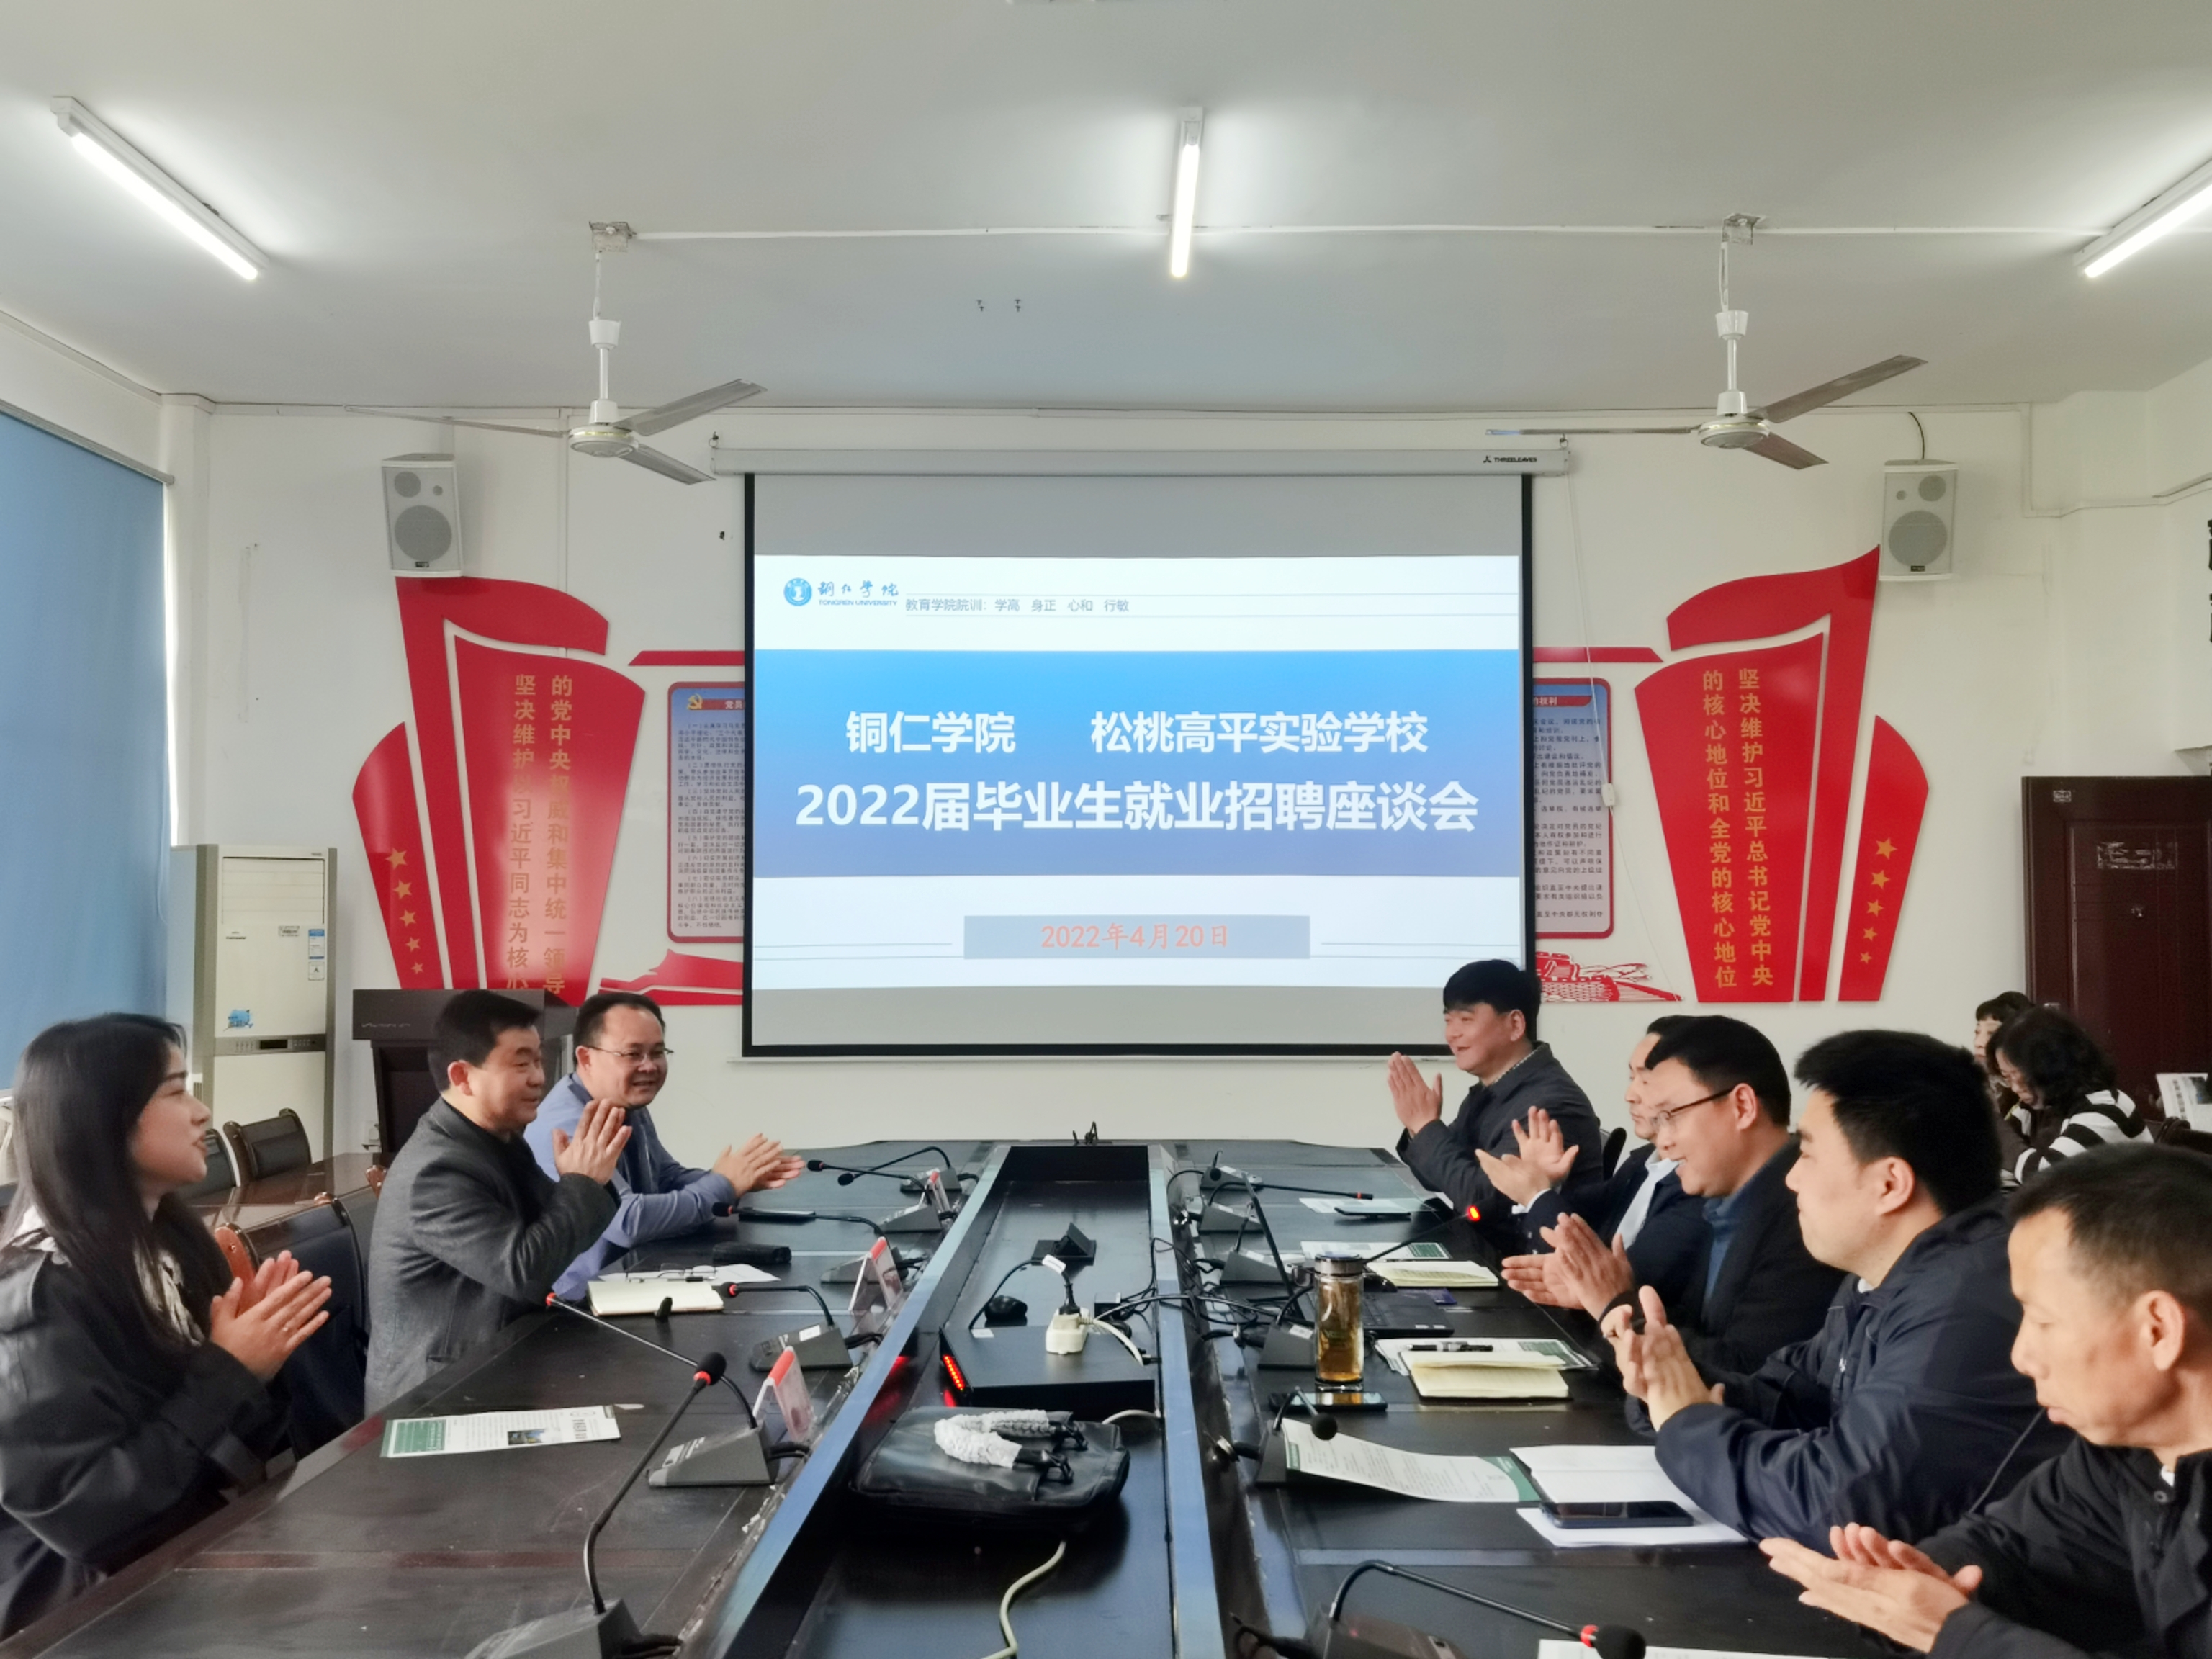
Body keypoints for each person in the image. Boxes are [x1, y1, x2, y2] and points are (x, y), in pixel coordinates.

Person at [1607, 1030, 2065, 1547]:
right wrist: (1668, 1382)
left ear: (1889, 1184)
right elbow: (1795, 1397)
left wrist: (1687, 1422)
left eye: (1807, 1155)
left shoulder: (1966, 1304)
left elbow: (1833, 1506)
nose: (1791, 1180)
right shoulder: (1885, 1274)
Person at [1762, 1144, 2212, 1659]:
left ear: (2159, 1330)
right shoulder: (2127, 1457)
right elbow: (2009, 1550)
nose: (2022, 1356)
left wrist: (1955, 1634)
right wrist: (1921, 1579)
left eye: (2043, 1321)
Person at [0, 1015, 333, 1637]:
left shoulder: (172, 1242)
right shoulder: (37, 1300)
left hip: (188, 1557)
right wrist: (230, 1370)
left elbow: (228, 1451)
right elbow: (87, 1520)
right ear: (105, 1119)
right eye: (176, 1092)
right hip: (83, 1617)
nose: (203, 1113)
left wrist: (263, 1360)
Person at [1511, 1015, 1842, 1373]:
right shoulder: (1726, 1201)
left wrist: (1616, 1305)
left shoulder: (1805, 1217)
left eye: (1671, 1116)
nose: (1664, 1142)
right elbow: (1701, 1329)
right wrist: (1597, 1298)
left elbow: (1747, 1375)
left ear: (1742, 1107)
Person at [365, 991, 629, 1411]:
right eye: (521, 1064)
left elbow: (555, 1238)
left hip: (501, 1359)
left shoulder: (496, 1141)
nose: (539, 1077)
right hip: (437, 1397)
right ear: (463, 1076)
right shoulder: (436, 1172)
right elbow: (525, 1270)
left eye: (539, 1061)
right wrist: (581, 1182)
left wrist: (582, 1181)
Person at [525, 992, 803, 1301]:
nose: (649, 1066)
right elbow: (627, 1222)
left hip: (633, 1279)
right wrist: (723, 1184)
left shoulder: (625, 1103)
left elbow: (665, 1177)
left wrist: (742, 1177)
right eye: (633, 1054)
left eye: (657, 1052)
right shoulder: (565, 1126)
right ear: (586, 1058)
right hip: (578, 1303)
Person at [1389, 958, 1604, 1258]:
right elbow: (1440, 1177)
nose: (1452, 1034)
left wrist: (1426, 1127)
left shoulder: (1550, 1104)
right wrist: (1421, 1128)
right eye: (1449, 1020)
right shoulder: (1493, 1089)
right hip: (1486, 1252)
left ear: (1515, 1024)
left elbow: (1480, 1203)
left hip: (1522, 1271)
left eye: (1465, 1020)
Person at [1491, 1015, 1709, 1309]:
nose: (1630, 1095)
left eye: (1647, 1081)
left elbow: (1629, 1279)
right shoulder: (1645, 1160)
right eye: (1632, 1079)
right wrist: (1545, 1185)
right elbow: (1585, 1217)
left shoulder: (1700, 1184)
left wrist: (1536, 1194)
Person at [1989, 1006, 2149, 1184]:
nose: (2014, 1088)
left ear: (2051, 1066)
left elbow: (2045, 1178)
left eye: (2019, 1076)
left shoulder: (2104, 1110)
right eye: (2006, 1077)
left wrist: (1991, 1119)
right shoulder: (2041, 1105)